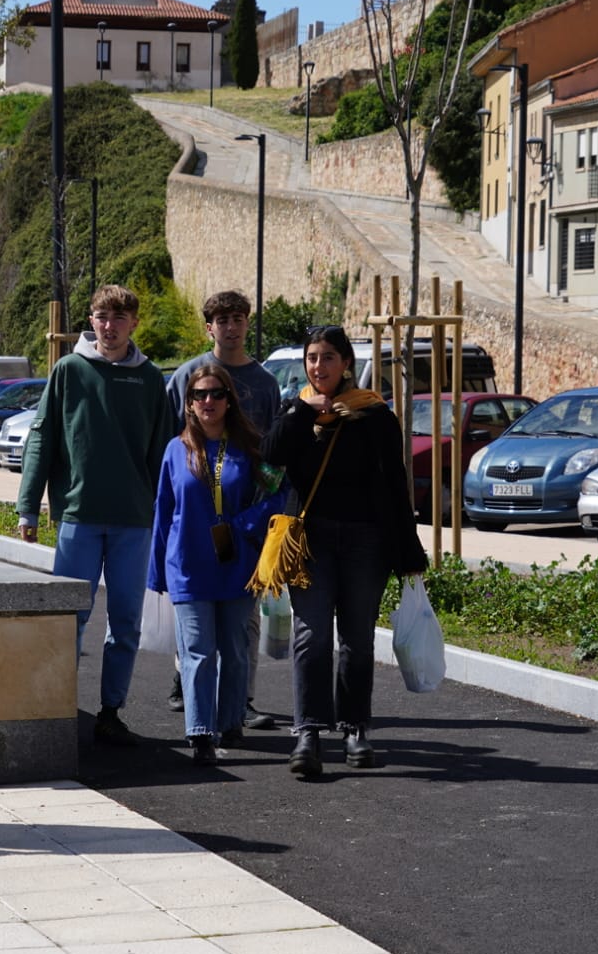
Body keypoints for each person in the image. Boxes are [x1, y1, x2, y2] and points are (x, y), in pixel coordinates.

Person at [263, 325, 427, 777]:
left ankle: (355, 727)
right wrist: (301, 411)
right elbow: (271, 453)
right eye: (313, 358)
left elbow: (396, 485)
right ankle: (308, 733)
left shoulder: (373, 414)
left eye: (329, 357)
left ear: (347, 363)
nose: (319, 366)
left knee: (356, 641)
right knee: (311, 636)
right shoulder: (294, 409)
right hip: (310, 541)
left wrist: (408, 549)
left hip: (365, 542)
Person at [17, 284, 173, 746]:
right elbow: (42, 438)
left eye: (119, 317)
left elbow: (162, 452)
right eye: (102, 316)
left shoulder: (149, 380)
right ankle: (61, 706)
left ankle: (110, 710)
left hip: (133, 520)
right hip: (78, 517)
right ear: (91, 319)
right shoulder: (68, 370)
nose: (109, 326)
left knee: (125, 623)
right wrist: (29, 504)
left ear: (134, 323)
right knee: (71, 621)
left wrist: (164, 516)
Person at [150, 364, 285, 763]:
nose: (208, 402)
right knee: (197, 651)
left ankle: (230, 722)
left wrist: (247, 522)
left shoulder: (251, 447)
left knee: (235, 649)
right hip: (189, 566)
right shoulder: (176, 450)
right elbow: (163, 511)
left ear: (229, 400)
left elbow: (280, 494)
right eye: (199, 395)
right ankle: (200, 731)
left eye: (216, 394)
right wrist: (157, 570)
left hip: (238, 564)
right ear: (189, 403)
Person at [165, 289, 283, 730]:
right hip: (195, 521)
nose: (231, 327)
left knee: (242, 627)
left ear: (247, 323)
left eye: (238, 318)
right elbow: (168, 443)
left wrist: (262, 516)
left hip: (245, 526)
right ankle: (187, 688)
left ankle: (241, 703)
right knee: (193, 623)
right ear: (209, 326)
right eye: (222, 319)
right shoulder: (185, 376)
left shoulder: (266, 384)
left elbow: (274, 457)